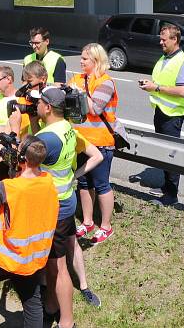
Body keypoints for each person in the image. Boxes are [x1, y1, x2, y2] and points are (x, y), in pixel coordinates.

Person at [0, 136, 59, 328]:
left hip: (5, 258)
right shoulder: (48, 181)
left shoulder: (10, 187)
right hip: (32, 258)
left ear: (22, 158)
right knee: (32, 302)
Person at [33, 87, 103, 327]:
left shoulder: (46, 139)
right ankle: (53, 306)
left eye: (39, 103)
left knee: (58, 265)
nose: (36, 106)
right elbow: (97, 156)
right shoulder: (69, 130)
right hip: (67, 200)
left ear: (48, 107)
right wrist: (75, 174)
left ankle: (64, 319)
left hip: (52, 206)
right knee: (59, 258)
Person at [69, 43, 121, 244]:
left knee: (101, 184)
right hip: (81, 142)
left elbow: (95, 109)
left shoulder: (105, 82)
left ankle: (106, 227)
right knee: (83, 182)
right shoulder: (77, 79)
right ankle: (88, 221)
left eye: (85, 59)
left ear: (96, 61)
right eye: (81, 58)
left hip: (101, 143)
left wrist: (78, 93)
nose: (81, 62)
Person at [138, 23, 184, 206]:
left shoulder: (182, 61)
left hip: (173, 114)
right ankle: (165, 187)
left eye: (164, 39)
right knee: (164, 151)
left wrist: (157, 88)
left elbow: (181, 91)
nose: (160, 42)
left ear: (174, 40)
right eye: (160, 38)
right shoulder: (165, 58)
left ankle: (171, 195)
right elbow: (161, 81)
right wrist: (151, 84)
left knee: (171, 154)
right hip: (161, 111)